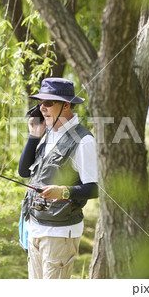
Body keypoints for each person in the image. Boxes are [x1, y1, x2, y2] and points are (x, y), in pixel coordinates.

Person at [18, 77, 99, 279]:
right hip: (35, 228)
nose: (42, 108)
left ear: (66, 105)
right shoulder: (47, 133)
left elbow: (95, 188)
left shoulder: (84, 141)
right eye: (40, 103)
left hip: (60, 234)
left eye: (48, 103)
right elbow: (24, 172)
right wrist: (34, 136)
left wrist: (63, 191)